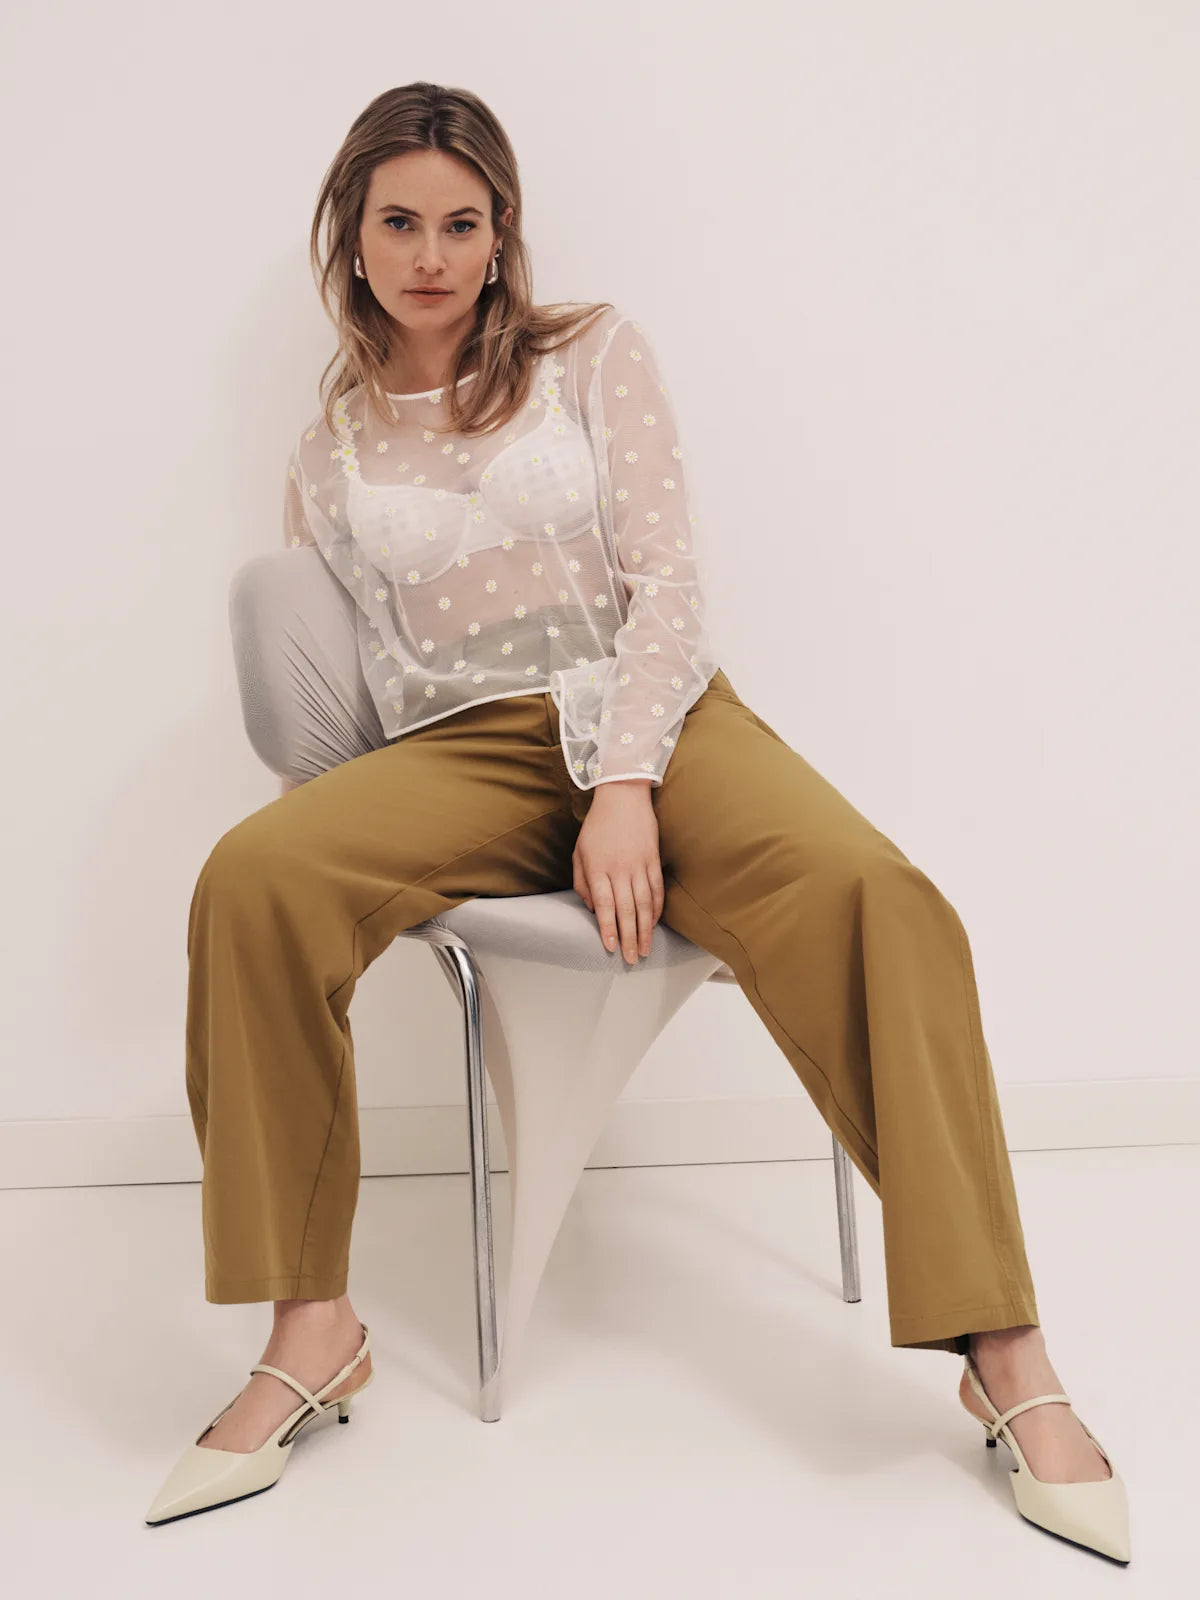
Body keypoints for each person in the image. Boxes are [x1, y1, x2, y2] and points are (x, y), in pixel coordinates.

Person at [145, 82, 1131, 1562]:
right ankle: (314, 1329)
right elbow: (361, 664)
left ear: (502, 233)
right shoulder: (331, 446)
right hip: (462, 749)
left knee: (879, 892)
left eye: (461, 223)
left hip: (656, 720)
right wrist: (333, 836)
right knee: (252, 876)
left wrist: (623, 781)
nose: (430, 255)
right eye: (399, 222)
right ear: (350, 237)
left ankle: (1004, 1348)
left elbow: (668, 580)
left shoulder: (592, 353)